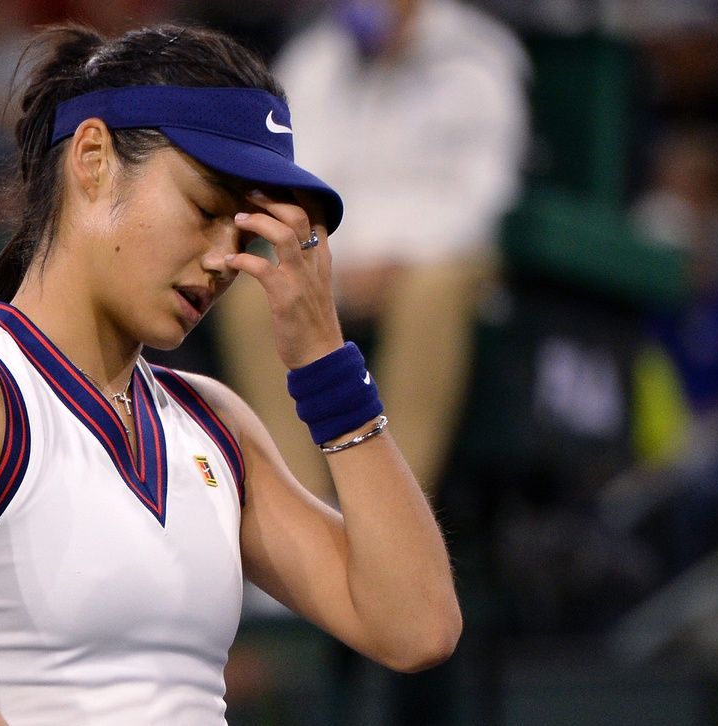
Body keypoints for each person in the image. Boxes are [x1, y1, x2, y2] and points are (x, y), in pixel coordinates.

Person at [0, 23, 461, 725]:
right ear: (93, 158)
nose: (223, 260)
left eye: (245, 234)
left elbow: (418, 626)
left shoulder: (216, 422)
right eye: (206, 211)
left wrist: (328, 367)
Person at [214, 0, 530, 501]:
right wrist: (337, 259)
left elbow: (485, 193)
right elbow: (293, 178)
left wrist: (401, 258)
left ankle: (394, 509)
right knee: (251, 291)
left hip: (439, 257)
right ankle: (308, 506)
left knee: (432, 292)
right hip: (336, 252)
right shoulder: (314, 59)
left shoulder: (479, 57)